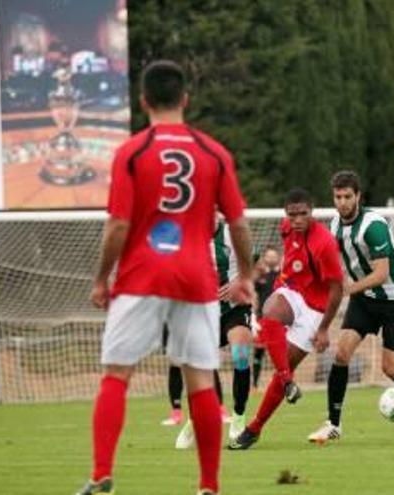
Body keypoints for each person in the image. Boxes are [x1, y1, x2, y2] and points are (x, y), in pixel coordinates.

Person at [76, 60, 253, 495]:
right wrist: (246, 274)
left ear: (143, 102)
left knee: (117, 374)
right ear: (185, 100)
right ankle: (209, 486)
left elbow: (117, 226)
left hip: (141, 277)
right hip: (196, 280)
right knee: (200, 379)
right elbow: (238, 222)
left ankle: (102, 475)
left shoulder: (131, 152)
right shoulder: (214, 153)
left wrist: (102, 279)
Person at [308, 170, 394, 444]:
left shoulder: (373, 226)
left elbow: (381, 273)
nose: (342, 202)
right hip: (365, 300)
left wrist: (347, 288)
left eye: (347, 196)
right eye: (337, 197)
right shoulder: (334, 226)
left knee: (391, 368)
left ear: (358, 196)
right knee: (341, 353)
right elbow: (333, 264)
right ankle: (333, 425)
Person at [228, 188, 343, 450]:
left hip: (316, 308)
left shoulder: (324, 244)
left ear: (311, 212)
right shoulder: (285, 227)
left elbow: (337, 289)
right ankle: (288, 381)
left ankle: (254, 429)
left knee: (282, 370)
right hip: (292, 291)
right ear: (286, 215)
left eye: (303, 214)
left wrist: (324, 329)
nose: (298, 220)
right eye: (293, 215)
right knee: (269, 312)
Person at [173, 216, 258, 446]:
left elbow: (253, 261)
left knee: (240, 355)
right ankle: (196, 418)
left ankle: (238, 417)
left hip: (234, 309)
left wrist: (239, 281)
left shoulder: (232, 232)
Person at [251, 247, 282, 390]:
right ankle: (255, 385)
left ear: (278, 257)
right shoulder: (260, 277)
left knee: (281, 352)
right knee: (258, 351)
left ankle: (283, 381)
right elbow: (254, 294)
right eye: (267, 256)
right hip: (262, 319)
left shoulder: (283, 275)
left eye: (273, 256)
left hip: (280, 320)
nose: (270, 258)